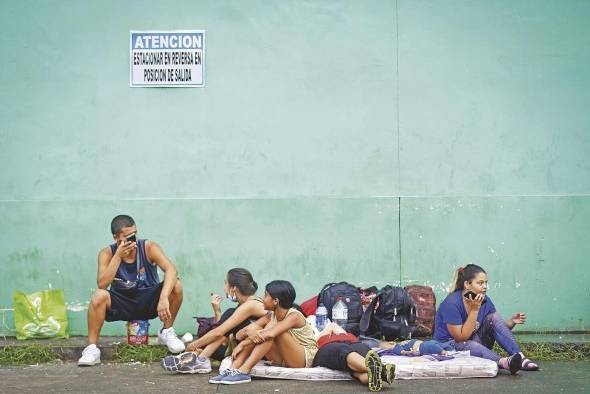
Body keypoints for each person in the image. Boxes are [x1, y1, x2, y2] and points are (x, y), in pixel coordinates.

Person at [78, 215, 185, 366]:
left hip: (149, 300)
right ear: (116, 238)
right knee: (98, 295)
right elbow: (102, 284)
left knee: (176, 285)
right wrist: (118, 257)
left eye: (134, 234)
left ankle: (166, 331)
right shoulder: (106, 253)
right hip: (122, 302)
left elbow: (171, 269)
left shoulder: (148, 247)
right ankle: (92, 349)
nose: (132, 239)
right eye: (127, 237)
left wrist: (163, 298)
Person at [433, 264, 539, 374]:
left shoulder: (485, 301)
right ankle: (503, 362)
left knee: (493, 317)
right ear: (467, 284)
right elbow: (461, 338)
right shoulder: (451, 303)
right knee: (467, 344)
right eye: (480, 283)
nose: (485, 286)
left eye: (486, 283)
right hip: (448, 348)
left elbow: (498, 328)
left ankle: (519, 356)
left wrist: (511, 322)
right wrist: (475, 310)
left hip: (474, 344)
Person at [209, 280, 317, 385]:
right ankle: (233, 370)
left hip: (303, 359)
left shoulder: (294, 316)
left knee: (272, 333)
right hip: (284, 358)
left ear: (276, 301)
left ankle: (244, 371)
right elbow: (240, 334)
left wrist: (243, 343)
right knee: (260, 331)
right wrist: (250, 331)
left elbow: (270, 334)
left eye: (265, 295)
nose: (262, 299)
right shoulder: (271, 315)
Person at [161, 268, 265, 374]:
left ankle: (199, 359)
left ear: (233, 288)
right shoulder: (245, 304)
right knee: (208, 341)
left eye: (225, 283)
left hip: (260, 350)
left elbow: (219, 332)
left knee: (228, 314)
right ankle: (199, 357)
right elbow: (224, 336)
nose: (224, 287)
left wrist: (193, 345)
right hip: (249, 346)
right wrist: (218, 313)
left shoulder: (250, 304)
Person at [312, 323, 395, 392]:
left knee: (360, 361)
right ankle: (382, 371)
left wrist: (320, 335)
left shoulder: (318, 336)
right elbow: (333, 326)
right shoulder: (314, 339)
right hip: (338, 345)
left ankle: (379, 373)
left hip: (350, 343)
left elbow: (333, 325)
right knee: (346, 352)